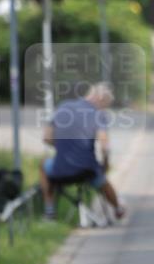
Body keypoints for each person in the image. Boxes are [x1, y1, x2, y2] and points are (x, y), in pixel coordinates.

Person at [39, 83, 126, 221]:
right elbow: (104, 146)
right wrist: (106, 164)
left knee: (43, 164)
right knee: (101, 179)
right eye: (105, 105)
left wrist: (64, 148)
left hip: (59, 170)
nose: (104, 109)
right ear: (100, 99)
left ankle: (49, 210)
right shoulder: (99, 114)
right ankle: (118, 209)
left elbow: (46, 138)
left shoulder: (64, 106)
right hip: (86, 171)